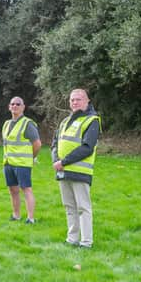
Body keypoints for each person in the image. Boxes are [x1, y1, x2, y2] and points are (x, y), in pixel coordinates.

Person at [51, 89, 101, 249]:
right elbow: (55, 143)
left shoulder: (92, 120)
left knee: (83, 208)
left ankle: (86, 242)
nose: (75, 102)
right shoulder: (65, 121)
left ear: (87, 101)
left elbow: (87, 147)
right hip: (62, 170)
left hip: (80, 171)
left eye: (78, 99)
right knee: (69, 207)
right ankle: (72, 239)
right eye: (72, 100)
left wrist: (63, 161)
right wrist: (56, 160)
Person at [2, 96, 42, 224]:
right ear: (9, 107)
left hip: (22, 164)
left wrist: (32, 157)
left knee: (26, 189)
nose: (15, 106)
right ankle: (16, 215)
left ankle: (30, 218)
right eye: (12, 104)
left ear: (23, 107)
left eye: (18, 104)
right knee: (13, 190)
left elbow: (37, 144)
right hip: (8, 163)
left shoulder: (27, 124)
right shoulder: (6, 124)